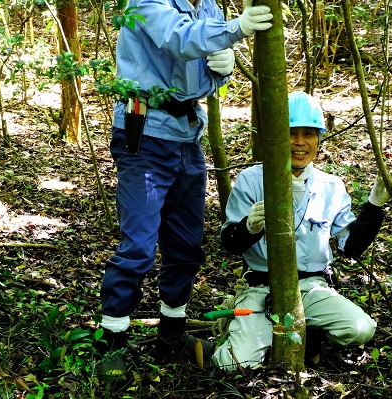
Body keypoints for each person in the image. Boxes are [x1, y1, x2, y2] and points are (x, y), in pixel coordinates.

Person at [97, 0, 274, 378]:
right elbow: (178, 38)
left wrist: (220, 74)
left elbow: (197, 73)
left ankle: (172, 334)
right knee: (139, 246)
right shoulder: (147, 1)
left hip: (187, 137)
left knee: (185, 244)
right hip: (143, 134)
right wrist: (236, 29)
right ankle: (110, 340)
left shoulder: (207, 5)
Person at [211, 91, 392, 370]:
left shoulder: (331, 186)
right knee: (233, 365)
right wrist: (249, 226)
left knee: (361, 328)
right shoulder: (251, 180)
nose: (299, 142)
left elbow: (350, 247)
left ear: (318, 140)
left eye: (309, 134)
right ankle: (241, 326)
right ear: (277, 135)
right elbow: (230, 245)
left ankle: (307, 337)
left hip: (312, 289)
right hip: (262, 290)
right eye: (291, 132)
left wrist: (374, 206)